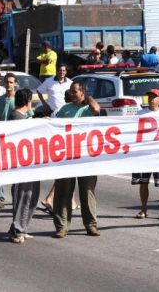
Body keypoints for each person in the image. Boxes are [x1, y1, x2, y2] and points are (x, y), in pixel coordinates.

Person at [53, 81, 100, 238]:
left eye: (75, 92)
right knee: (63, 192)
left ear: (82, 93)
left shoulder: (88, 109)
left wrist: (89, 99)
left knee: (87, 192)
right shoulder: (65, 110)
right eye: (70, 92)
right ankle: (62, 226)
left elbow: (96, 109)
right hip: (66, 157)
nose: (71, 94)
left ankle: (91, 225)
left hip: (86, 158)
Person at [0, 73, 33, 210]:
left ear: (15, 84)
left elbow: (29, 115)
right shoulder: (0, 100)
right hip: (1, 139)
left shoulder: (19, 100)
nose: (9, 84)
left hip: (16, 141)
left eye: (11, 82)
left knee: (15, 171)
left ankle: (18, 200)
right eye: (7, 82)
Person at [132, 89, 159, 220]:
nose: (151, 99)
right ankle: (143, 210)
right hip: (143, 155)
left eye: (154, 97)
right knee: (143, 183)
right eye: (149, 96)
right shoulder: (140, 114)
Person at [7, 88, 40, 243]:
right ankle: (18, 230)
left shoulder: (26, 117)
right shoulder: (16, 117)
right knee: (23, 196)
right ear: (28, 102)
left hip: (31, 163)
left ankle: (22, 227)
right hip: (21, 165)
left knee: (32, 196)